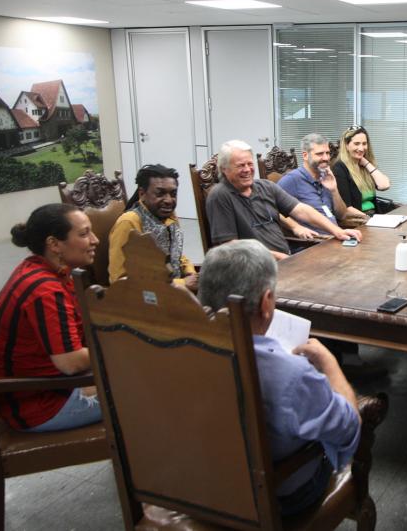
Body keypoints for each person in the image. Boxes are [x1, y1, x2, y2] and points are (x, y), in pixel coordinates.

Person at [197, 239, 361, 515]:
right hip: (277, 497)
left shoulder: (179, 352)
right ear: (266, 303)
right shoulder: (292, 374)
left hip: (202, 487)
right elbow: (348, 428)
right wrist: (330, 364)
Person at [0, 204, 102, 432]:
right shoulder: (45, 290)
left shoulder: (40, 269)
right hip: (41, 404)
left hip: (43, 389)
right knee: (156, 385)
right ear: (54, 244)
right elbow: (71, 362)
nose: (95, 240)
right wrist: (122, 347)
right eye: (84, 233)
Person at [205, 139, 362, 260]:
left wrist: (338, 231)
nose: (247, 170)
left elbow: (301, 210)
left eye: (249, 164)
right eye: (240, 166)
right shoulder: (220, 195)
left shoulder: (265, 186)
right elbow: (229, 246)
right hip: (255, 269)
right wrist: (281, 258)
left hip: (285, 259)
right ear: (224, 169)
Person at [109, 164, 197, 292]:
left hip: (176, 291)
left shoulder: (169, 216)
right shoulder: (129, 223)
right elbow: (119, 279)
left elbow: (176, 252)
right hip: (146, 300)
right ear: (142, 194)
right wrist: (182, 283)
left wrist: (190, 272)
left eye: (173, 194)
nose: (168, 200)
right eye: (160, 193)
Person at [278, 133, 369, 232]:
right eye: (320, 154)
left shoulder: (326, 177)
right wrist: (296, 227)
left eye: (328, 153)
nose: (326, 158)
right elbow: (271, 210)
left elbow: (342, 215)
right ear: (305, 155)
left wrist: (334, 190)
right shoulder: (292, 180)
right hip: (313, 242)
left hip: (336, 236)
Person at [332, 125, 391, 215]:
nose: (361, 148)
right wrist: (369, 220)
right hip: (358, 221)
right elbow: (347, 208)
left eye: (364, 143)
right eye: (356, 144)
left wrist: (367, 163)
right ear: (347, 145)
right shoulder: (339, 168)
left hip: (374, 216)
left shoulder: (364, 166)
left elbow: (384, 185)